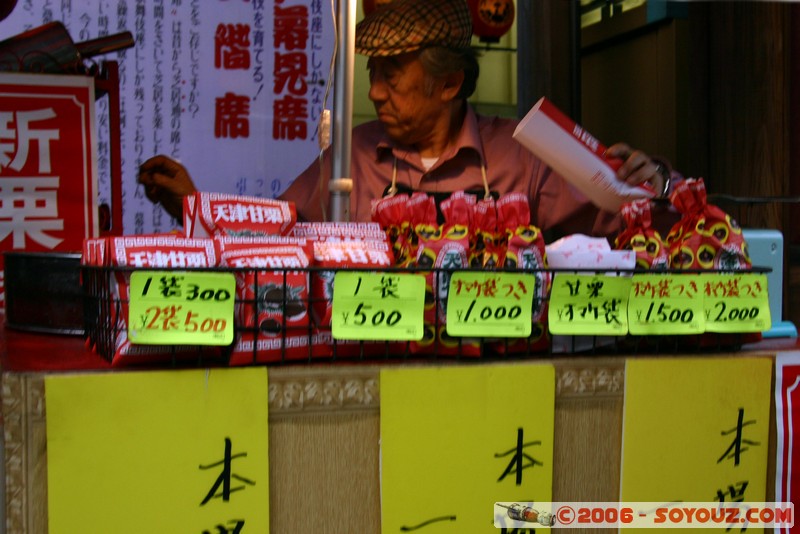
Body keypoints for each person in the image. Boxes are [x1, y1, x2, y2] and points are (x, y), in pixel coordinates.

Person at [139, 0, 674, 240]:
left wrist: (654, 185)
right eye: (372, 73)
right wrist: (193, 204)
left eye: (392, 76)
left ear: (449, 84)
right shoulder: (353, 158)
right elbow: (273, 229)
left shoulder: (519, 157)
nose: (373, 92)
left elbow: (633, 221)